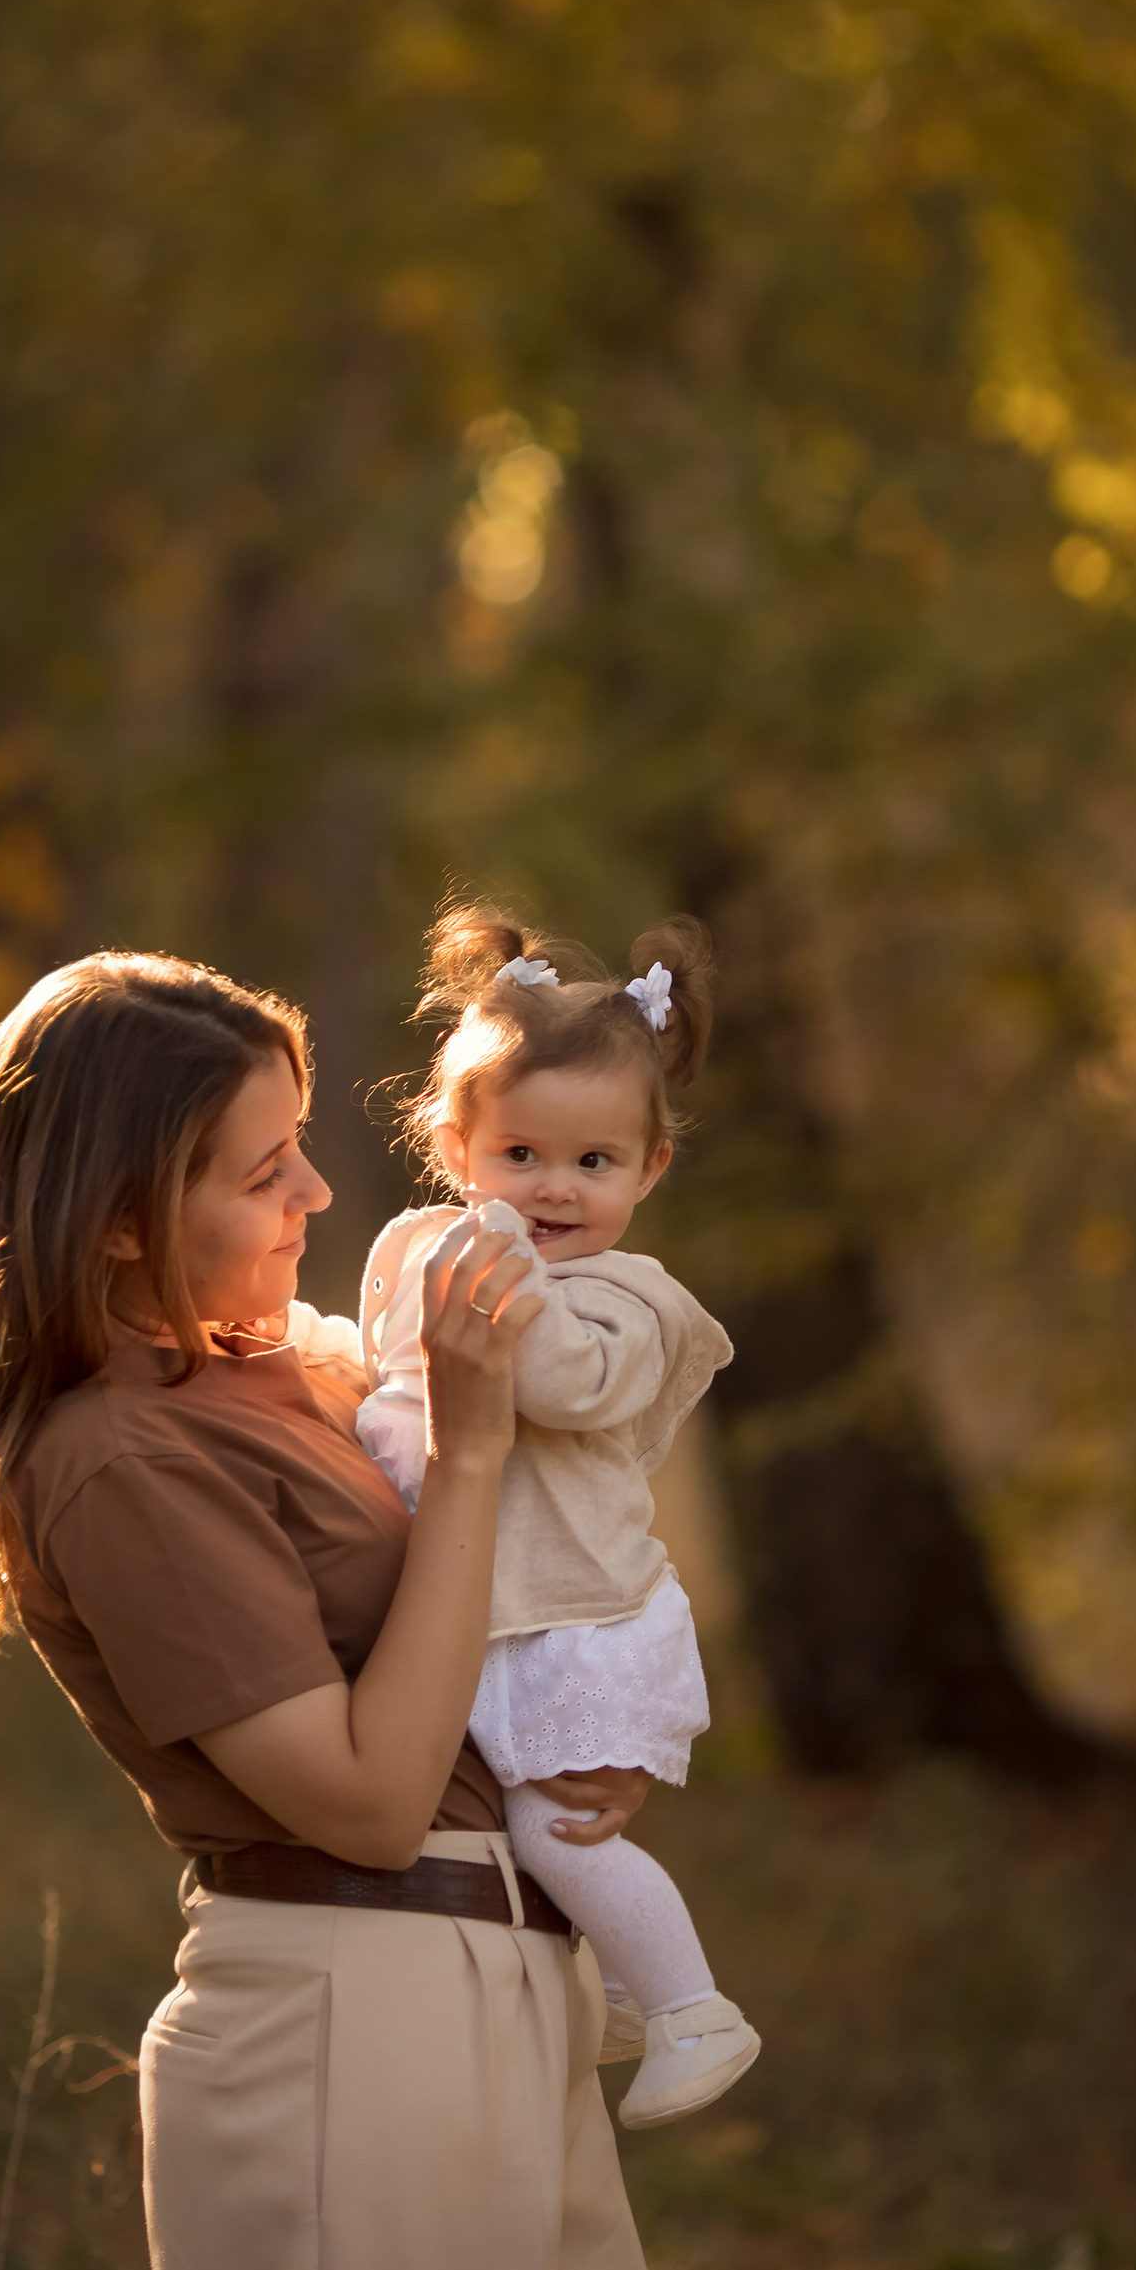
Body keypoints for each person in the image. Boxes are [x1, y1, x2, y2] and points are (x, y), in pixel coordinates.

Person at [0, 950, 697, 2270]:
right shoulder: (121, 1455)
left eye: (304, 1148)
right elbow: (371, 1799)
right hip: (356, 2007)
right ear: (123, 1218)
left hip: (505, 1994)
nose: (318, 1195)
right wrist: (471, 1451)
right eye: (265, 1172)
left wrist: (585, 1728)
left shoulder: (280, 1374)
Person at [355, 907, 759, 2129]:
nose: (551, 1189)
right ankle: (621, 1993)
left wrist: (498, 1258)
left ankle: (692, 2008)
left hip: (581, 1624)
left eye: (593, 1163)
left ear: (649, 1170)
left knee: (557, 1832)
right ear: (455, 1145)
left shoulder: (629, 1301)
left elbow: (563, 1386)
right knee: (488, 1824)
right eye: (520, 1153)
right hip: (482, 1606)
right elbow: (384, 1373)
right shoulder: (426, 1250)